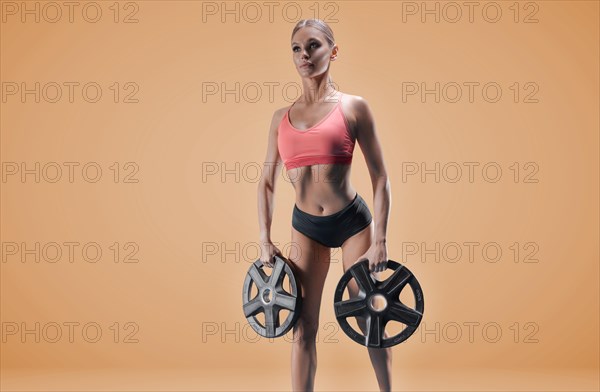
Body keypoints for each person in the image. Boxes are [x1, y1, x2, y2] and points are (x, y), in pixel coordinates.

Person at [257, 18, 392, 392]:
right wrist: (264, 238)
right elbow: (267, 183)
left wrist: (380, 238)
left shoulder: (354, 108)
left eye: (314, 46)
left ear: (333, 52)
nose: (305, 55)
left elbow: (380, 176)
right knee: (304, 325)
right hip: (306, 228)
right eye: (297, 49)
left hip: (352, 223)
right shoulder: (280, 119)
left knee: (368, 313)